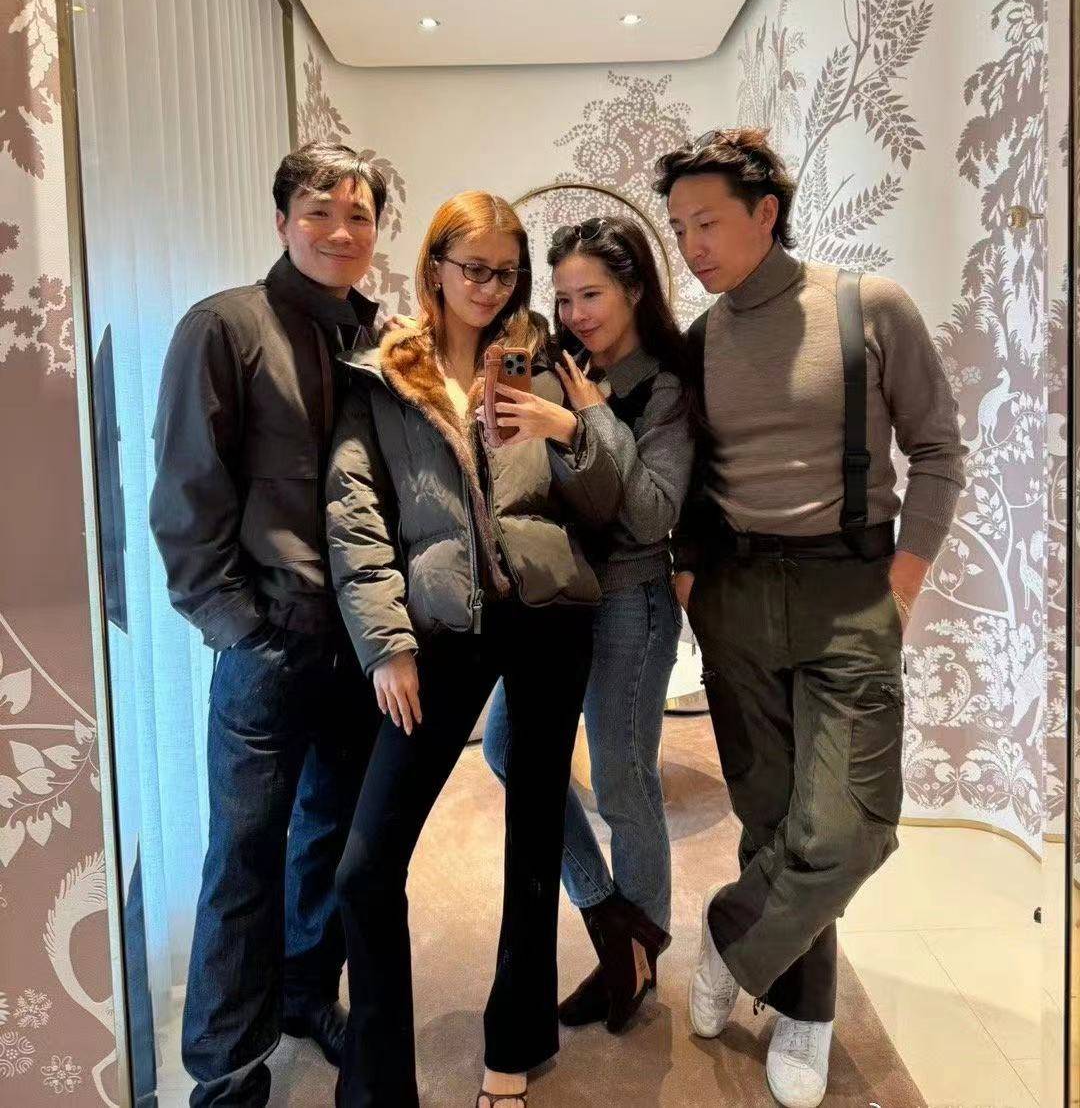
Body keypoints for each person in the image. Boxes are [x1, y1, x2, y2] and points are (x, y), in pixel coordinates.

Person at [655, 128, 965, 1108]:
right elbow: (686, 478)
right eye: (679, 228)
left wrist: (903, 585)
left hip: (850, 589)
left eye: (707, 223)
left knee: (850, 826)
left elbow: (939, 450)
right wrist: (692, 584)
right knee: (771, 816)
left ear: (765, 213)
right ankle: (807, 1011)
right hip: (737, 594)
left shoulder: (868, 307)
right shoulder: (700, 341)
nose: (692, 246)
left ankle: (728, 939)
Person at [327, 191, 624, 1108]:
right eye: (474, 269)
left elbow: (607, 498)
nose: (491, 288)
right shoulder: (384, 374)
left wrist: (569, 428)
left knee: (534, 834)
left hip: (549, 615)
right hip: (441, 627)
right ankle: (378, 1087)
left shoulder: (551, 360)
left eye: (507, 272)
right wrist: (386, 646)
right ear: (435, 268)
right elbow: (354, 514)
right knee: (366, 866)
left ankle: (515, 1044)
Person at [149, 142, 387, 1108]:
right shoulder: (224, 326)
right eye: (319, 210)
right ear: (282, 219)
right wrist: (236, 624)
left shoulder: (376, 337)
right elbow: (186, 492)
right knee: (243, 856)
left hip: (361, 644)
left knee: (329, 838)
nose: (340, 230)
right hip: (271, 643)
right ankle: (225, 1068)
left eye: (360, 214)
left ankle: (303, 994)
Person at [483, 215, 695, 1032]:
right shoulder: (557, 363)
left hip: (630, 603)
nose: (575, 313)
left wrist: (583, 423)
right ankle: (613, 919)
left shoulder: (664, 386)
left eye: (593, 294)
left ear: (635, 289)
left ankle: (635, 960)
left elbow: (649, 514)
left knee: (622, 781)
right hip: (558, 599)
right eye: (564, 297)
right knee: (506, 748)